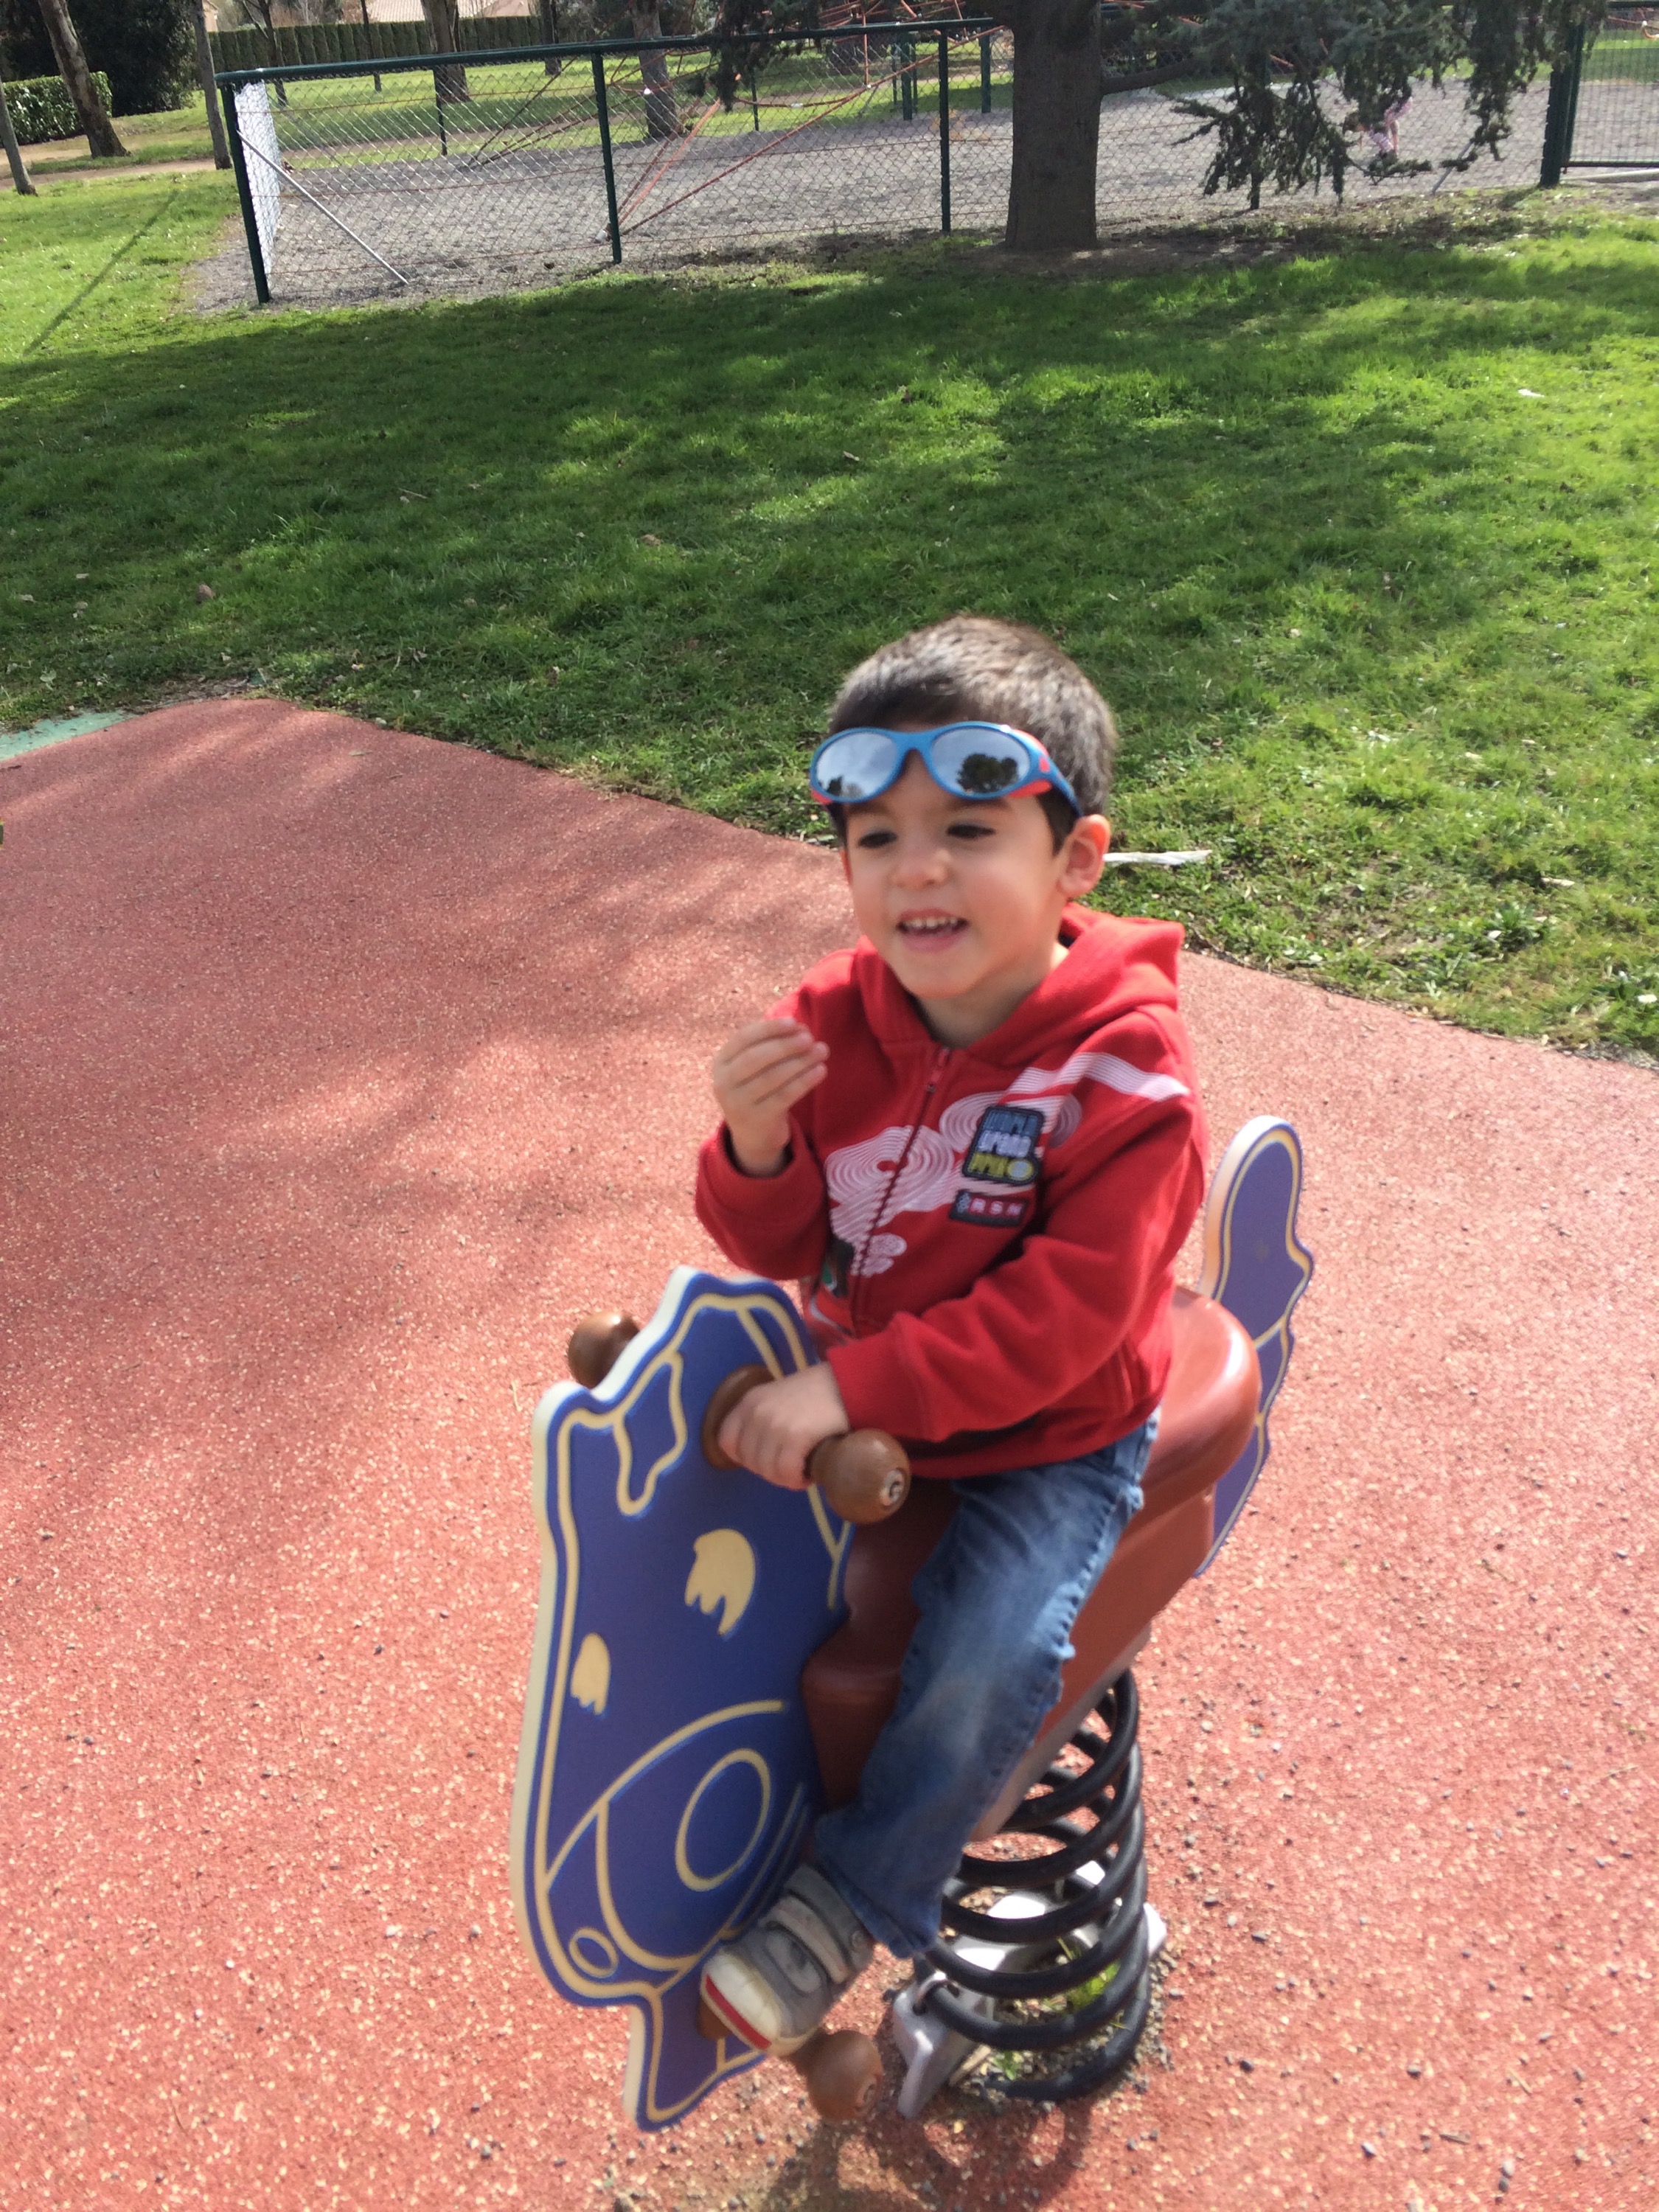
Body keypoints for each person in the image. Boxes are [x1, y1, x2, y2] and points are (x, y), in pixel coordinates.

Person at [692, 614, 1207, 2054]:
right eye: (878, 840)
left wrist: (851, 1386)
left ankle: (857, 1895)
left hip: (1055, 1431)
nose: (916, 869)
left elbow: (1063, 1325)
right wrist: (754, 1147)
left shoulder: (1126, 1071)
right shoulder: (830, 1021)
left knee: (988, 1646)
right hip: (865, 1394)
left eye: (968, 832)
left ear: (1075, 862)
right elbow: (777, 1244)